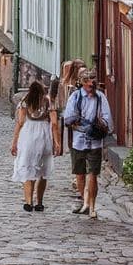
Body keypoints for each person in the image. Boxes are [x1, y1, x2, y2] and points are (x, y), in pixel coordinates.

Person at [62, 68, 113, 219]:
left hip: (95, 141)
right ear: (83, 83)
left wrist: (102, 125)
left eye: (93, 81)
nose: (93, 84)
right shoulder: (75, 97)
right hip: (78, 140)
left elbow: (107, 117)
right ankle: (85, 200)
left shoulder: (100, 97)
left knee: (93, 174)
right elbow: (68, 117)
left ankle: (91, 205)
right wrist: (75, 121)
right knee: (79, 173)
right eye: (90, 81)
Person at [10, 80, 62, 212]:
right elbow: (55, 124)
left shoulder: (25, 101)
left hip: (28, 136)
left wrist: (14, 142)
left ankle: (28, 202)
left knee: (28, 168)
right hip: (44, 136)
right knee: (43, 172)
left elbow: (20, 122)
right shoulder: (48, 102)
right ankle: (39, 202)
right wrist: (57, 142)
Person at [51, 59, 86, 199]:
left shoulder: (79, 86)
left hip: (75, 122)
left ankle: (79, 178)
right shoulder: (64, 85)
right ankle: (77, 177)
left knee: (77, 149)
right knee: (72, 148)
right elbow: (54, 100)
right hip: (67, 121)